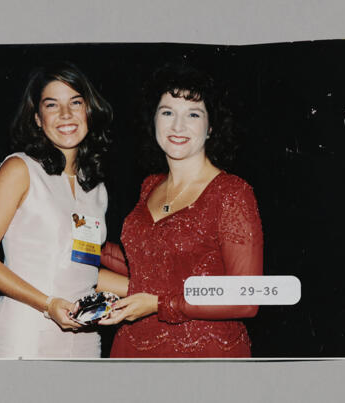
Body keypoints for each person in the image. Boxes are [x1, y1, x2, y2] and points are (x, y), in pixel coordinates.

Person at [97, 64, 263, 358]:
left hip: (204, 356)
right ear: (154, 120)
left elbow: (246, 298)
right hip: (132, 347)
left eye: (193, 114)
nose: (177, 126)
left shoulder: (232, 193)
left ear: (211, 127)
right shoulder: (150, 186)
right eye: (167, 112)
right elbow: (148, 265)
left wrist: (161, 305)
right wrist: (84, 247)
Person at [0, 62, 113, 358]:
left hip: (83, 341)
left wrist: (151, 290)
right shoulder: (19, 169)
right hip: (24, 334)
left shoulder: (96, 189)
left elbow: (84, 270)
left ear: (89, 111)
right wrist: (47, 304)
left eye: (75, 103)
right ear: (37, 118)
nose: (66, 115)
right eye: (52, 105)